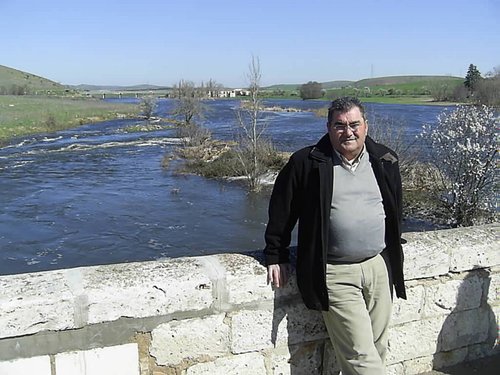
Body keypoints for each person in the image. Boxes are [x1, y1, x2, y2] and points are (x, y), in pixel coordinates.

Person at [264, 97, 406, 375]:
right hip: (335, 272)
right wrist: (275, 254)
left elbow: (394, 207)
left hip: (378, 266)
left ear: (366, 125)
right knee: (360, 356)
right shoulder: (307, 162)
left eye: (354, 124)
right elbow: (282, 209)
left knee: (378, 348)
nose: (348, 132)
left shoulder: (385, 159)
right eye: (339, 125)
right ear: (328, 128)